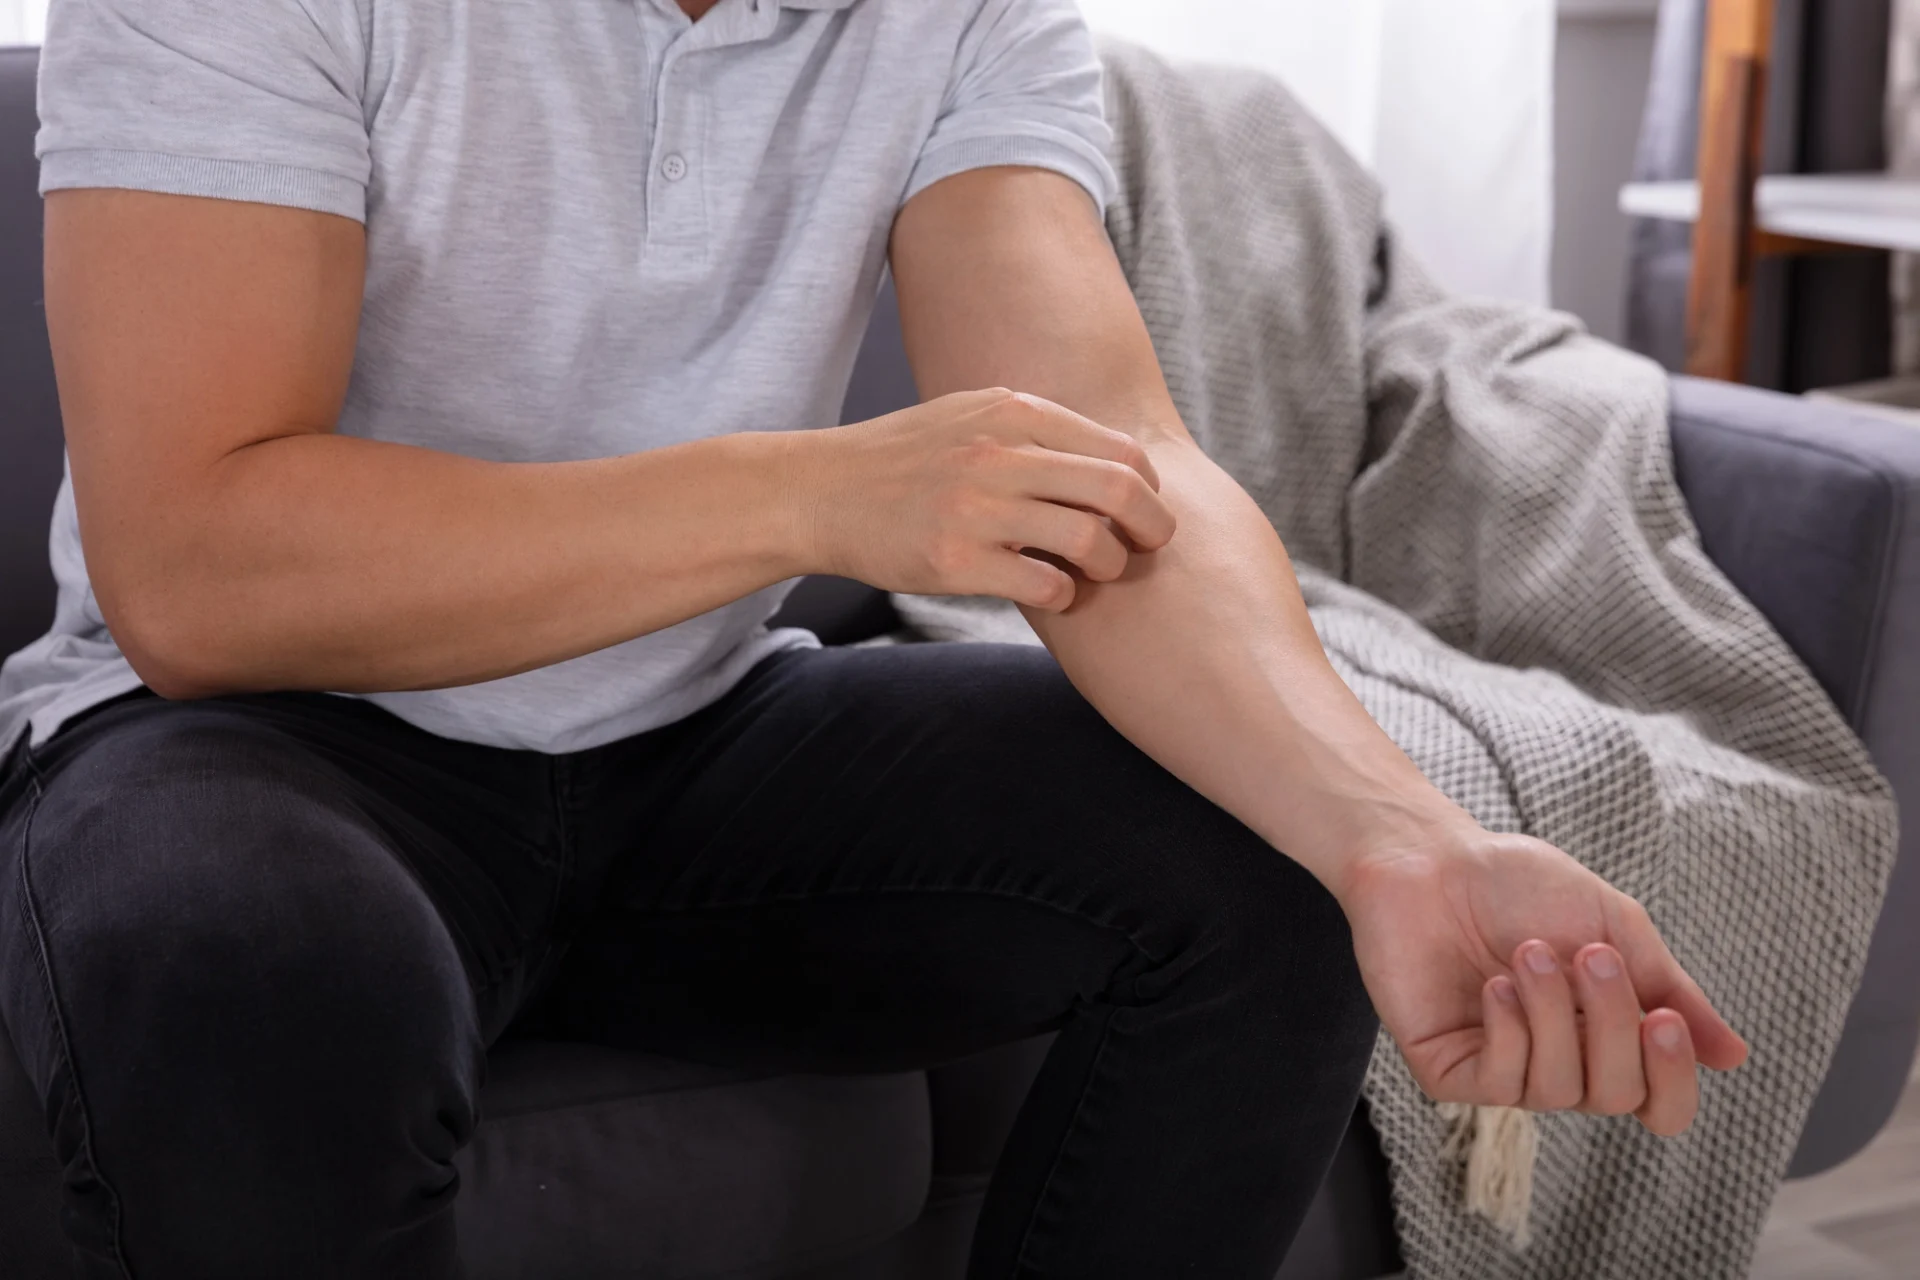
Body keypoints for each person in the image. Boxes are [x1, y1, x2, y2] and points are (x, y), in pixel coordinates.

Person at [0, 0, 1748, 1275]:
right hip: (270, 740)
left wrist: (1401, 842)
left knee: (1266, 855)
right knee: (253, 970)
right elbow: (202, 567)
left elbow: (1113, 468)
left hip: (691, 733)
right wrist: (806, 497)